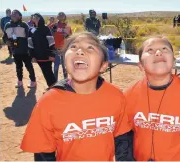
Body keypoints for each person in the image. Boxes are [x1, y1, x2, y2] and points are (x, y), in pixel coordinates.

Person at [21, 32, 134, 161]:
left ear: (103, 66)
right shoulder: (48, 102)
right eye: (73, 47)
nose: (79, 51)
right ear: (65, 59)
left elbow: (123, 139)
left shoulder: (115, 96)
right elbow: (43, 153)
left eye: (90, 48)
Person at [123, 36, 180, 161]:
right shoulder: (129, 96)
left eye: (164, 49)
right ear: (141, 65)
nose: (158, 52)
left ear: (174, 61)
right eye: (150, 50)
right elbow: (124, 137)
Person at [2, 10, 36, 88]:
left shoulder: (24, 24)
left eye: (15, 13)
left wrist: (30, 49)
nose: (13, 14)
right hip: (15, 51)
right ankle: (20, 81)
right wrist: (6, 41)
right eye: (12, 13)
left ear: (20, 16)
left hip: (25, 51)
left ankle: (33, 81)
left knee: (29, 66)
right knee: (18, 67)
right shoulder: (7, 25)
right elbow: (5, 36)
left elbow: (29, 37)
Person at [28, 13, 56, 88]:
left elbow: (51, 42)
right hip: (38, 56)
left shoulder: (45, 28)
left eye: (37, 17)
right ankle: (51, 87)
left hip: (47, 56)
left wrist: (52, 55)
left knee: (49, 72)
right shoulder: (31, 30)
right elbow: (30, 44)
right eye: (33, 17)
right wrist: (32, 56)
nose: (35, 18)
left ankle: (55, 89)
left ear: (40, 18)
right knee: (45, 72)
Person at [52, 12, 71, 81]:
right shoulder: (54, 25)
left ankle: (65, 81)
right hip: (56, 48)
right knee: (56, 66)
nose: (60, 16)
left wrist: (66, 35)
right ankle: (54, 82)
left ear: (65, 16)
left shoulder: (67, 26)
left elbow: (70, 37)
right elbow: (51, 35)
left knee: (64, 66)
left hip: (64, 48)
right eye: (59, 15)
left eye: (62, 14)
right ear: (57, 17)